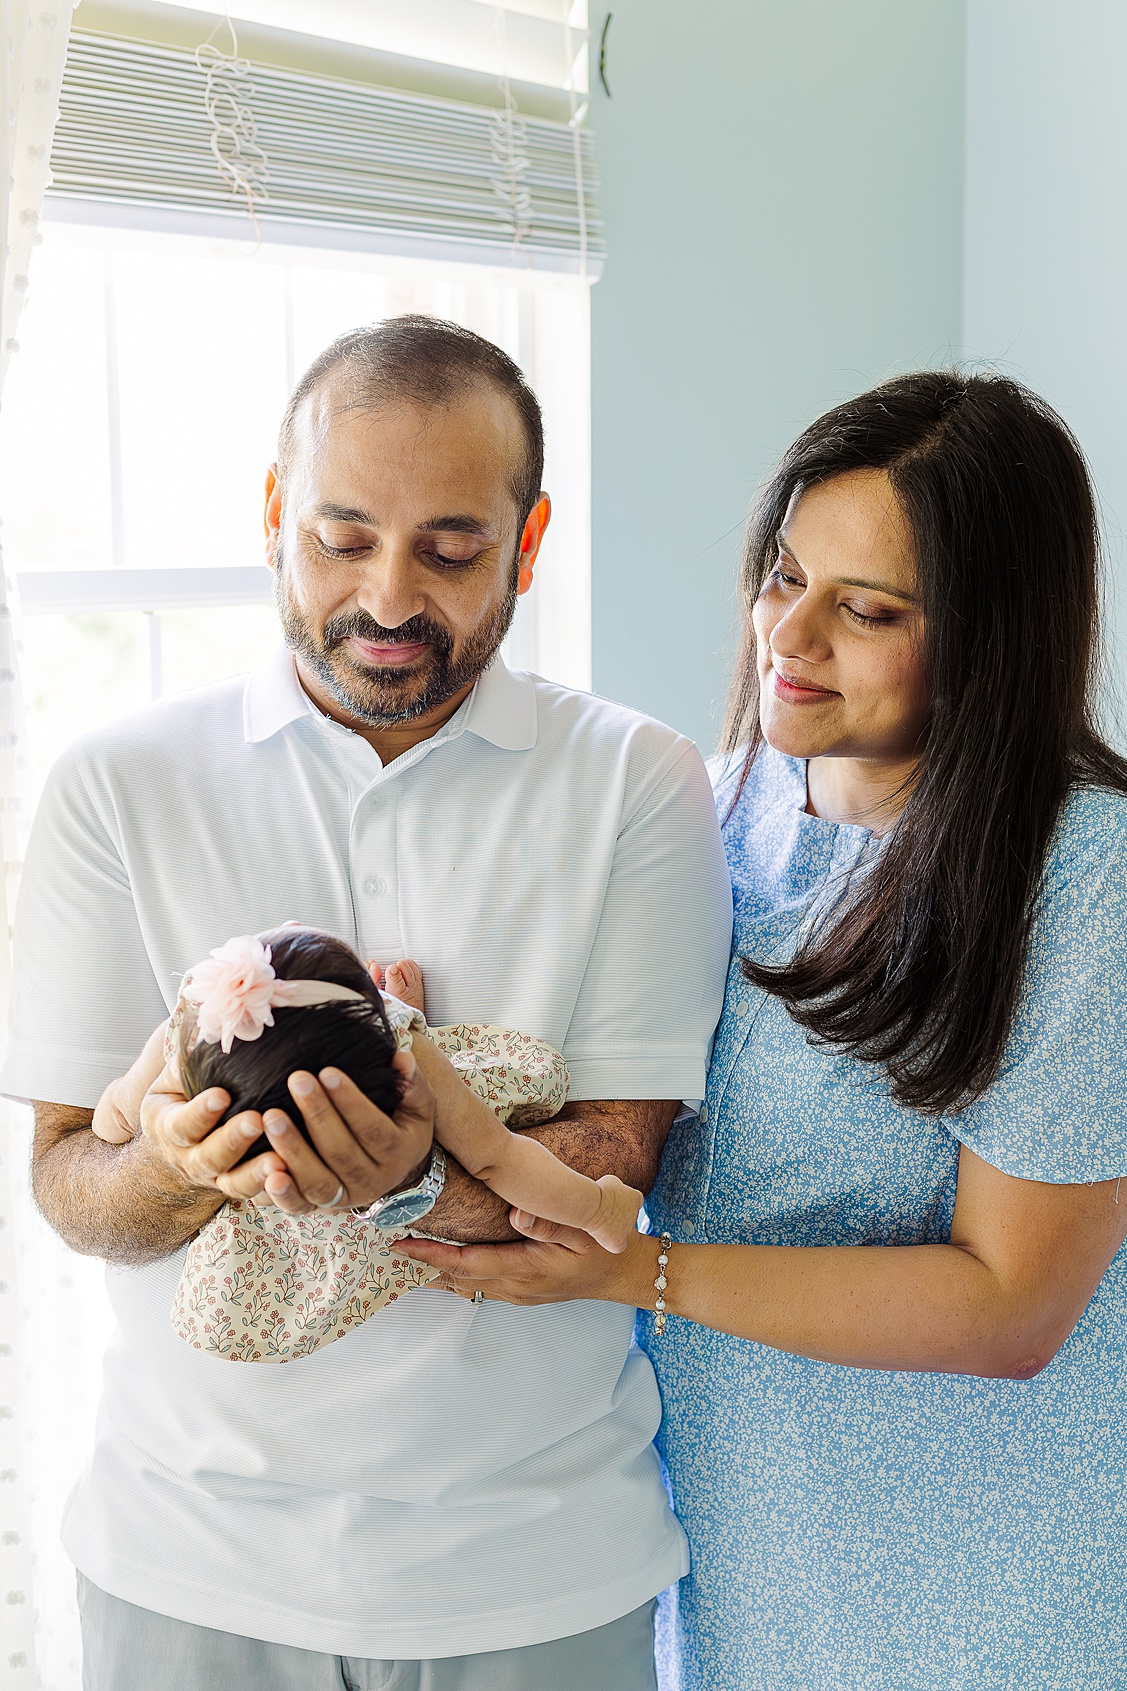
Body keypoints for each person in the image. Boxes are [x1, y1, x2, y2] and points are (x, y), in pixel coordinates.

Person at [2, 315, 732, 1688]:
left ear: (527, 538)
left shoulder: (634, 782)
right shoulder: (118, 783)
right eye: (341, 536)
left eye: (451, 547)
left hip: (532, 1569)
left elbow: (616, 1174)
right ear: (276, 513)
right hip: (185, 1565)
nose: (389, 596)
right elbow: (64, 1179)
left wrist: (406, 1179)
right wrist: (166, 1161)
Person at [405, 372, 1127, 1691]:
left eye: (864, 610)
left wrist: (636, 1271)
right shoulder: (716, 805)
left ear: (987, 638)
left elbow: (1013, 1304)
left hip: (979, 1576)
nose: (785, 634)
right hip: (733, 1548)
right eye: (780, 574)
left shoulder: (1079, 876)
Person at [92, 925, 642, 1363]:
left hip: (268, 1205)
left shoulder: (186, 1029)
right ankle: (600, 1212)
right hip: (350, 1185)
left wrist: (139, 1121)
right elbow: (501, 1158)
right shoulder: (407, 1056)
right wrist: (597, 1207)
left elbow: (110, 1117)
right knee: (494, 1146)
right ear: (380, 1024)